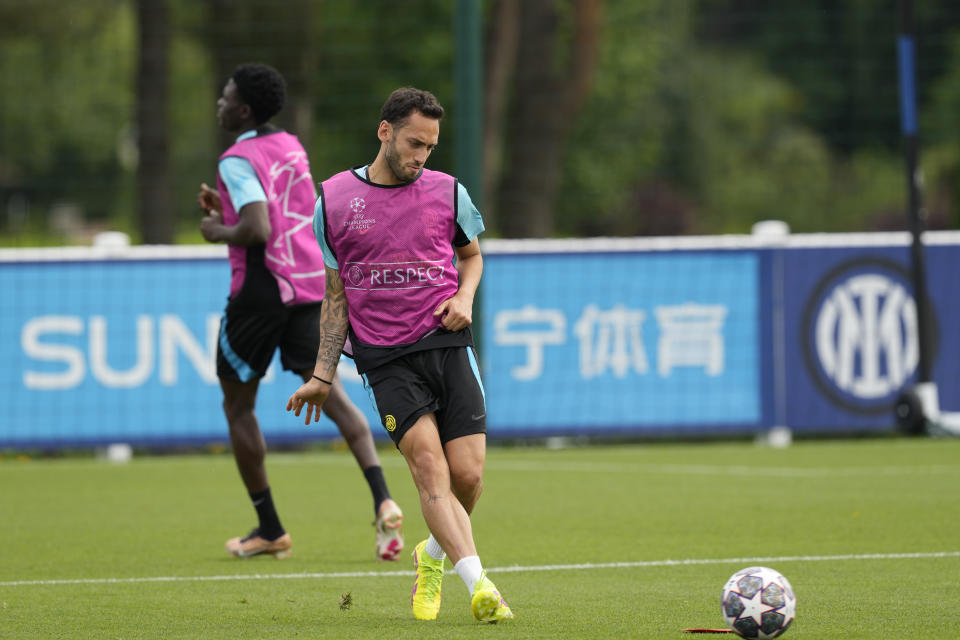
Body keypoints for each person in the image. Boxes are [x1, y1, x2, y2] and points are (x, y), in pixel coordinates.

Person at [286, 87, 514, 623]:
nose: (421, 156)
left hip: (448, 345)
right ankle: (481, 586)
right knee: (430, 468)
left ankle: (430, 555)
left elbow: (472, 257)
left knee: (469, 477)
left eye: (430, 147)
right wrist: (323, 373)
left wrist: (464, 296)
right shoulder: (335, 200)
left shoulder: (449, 192)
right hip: (385, 359)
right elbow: (336, 295)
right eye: (414, 143)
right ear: (385, 131)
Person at [197, 63, 403, 562]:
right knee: (330, 395)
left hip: (261, 294)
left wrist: (217, 229)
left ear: (243, 109)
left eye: (226, 97)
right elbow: (284, 211)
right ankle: (383, 498)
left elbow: (257, 228)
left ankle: (269, 527)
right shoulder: (291, 145)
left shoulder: (235, 159)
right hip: (310, 286)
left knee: (238, 407)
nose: (220, 104)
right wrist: (232, 215)